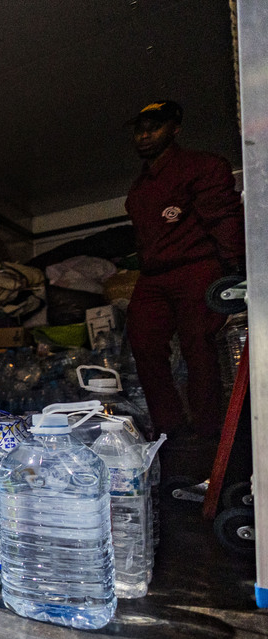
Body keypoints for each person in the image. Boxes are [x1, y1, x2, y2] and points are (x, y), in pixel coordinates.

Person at [124, 100, 244, 441]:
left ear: (174, 129)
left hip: (196, 267)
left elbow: (223, 217)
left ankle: (209, 434)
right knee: (143, 342)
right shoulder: (140, 187)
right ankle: (172, 432)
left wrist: (233, 269)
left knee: (200, 349)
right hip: (154, 275)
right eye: (140, 130)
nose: (145, 136)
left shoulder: (201, 166)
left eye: (155, 127)